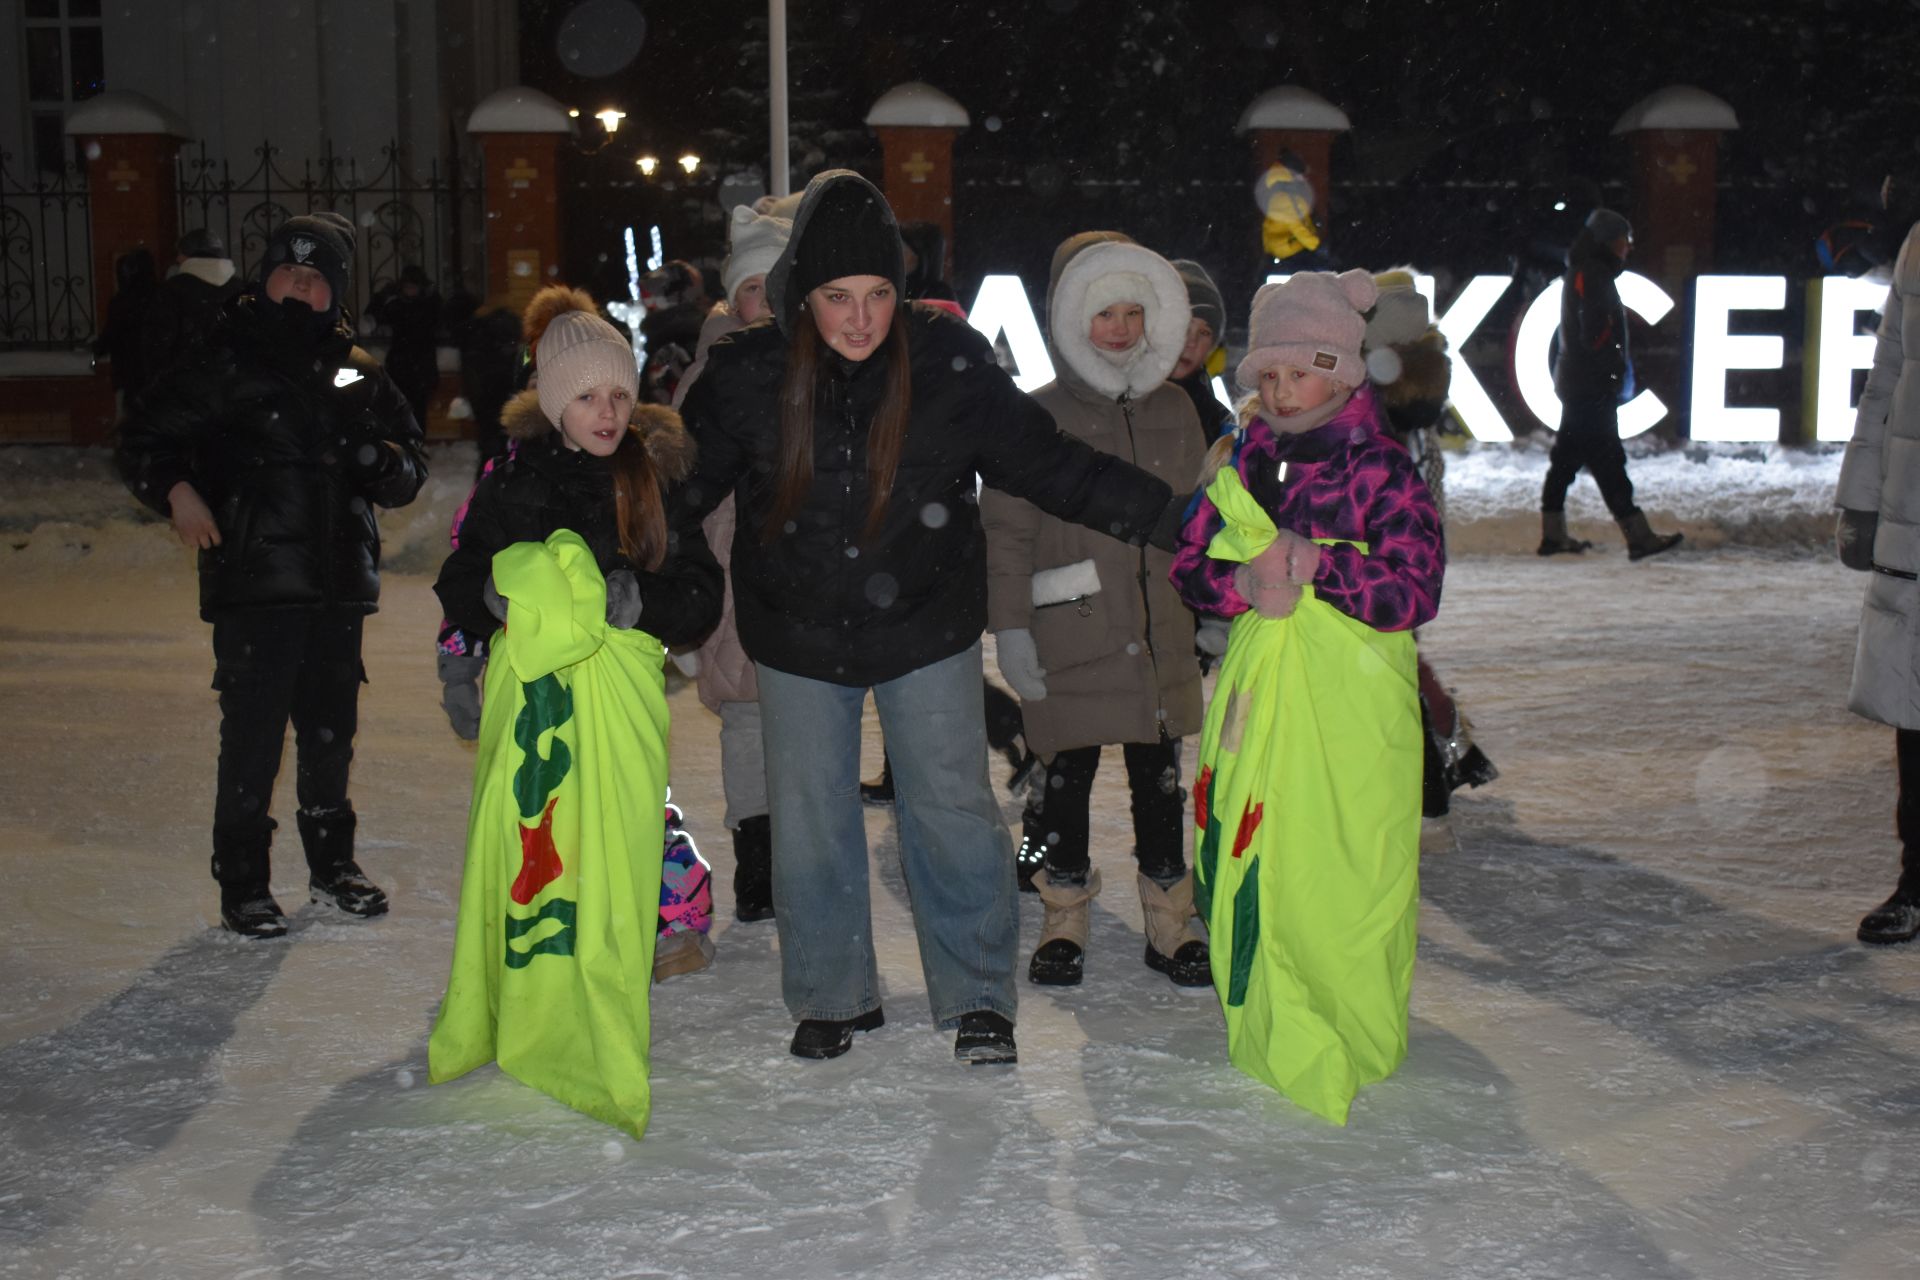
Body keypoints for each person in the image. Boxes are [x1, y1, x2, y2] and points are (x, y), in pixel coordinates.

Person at [660, 170, 1188, 1066]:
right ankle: (833, 995)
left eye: (875, 296)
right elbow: (676, 497)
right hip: (793, 631)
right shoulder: (748, 377)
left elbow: (1055, 465)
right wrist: (609, 553)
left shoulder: (947, 364)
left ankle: (978, 994)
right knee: (811, 818)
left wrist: (1188, 522)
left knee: (948, 809)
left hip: (926, 621)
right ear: (802, 295)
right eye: (836, 298)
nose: (859, 319)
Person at [1169, 269, 1444, 1124]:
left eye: (1302, 373)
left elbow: (1416, 589)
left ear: (1346, 373)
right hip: (1261, 704)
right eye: (1271, 376)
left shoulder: (1382, 471)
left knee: (1346, 862)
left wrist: (1324, 567)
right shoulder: (1242, 460)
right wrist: (1243, 580)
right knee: (1264, 856)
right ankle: (1275, 1013)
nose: (1284, 392)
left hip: (1352, 710)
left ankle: (1350, 1017)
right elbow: (1189, 566)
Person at [115, 212, 428, 938]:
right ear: (265, 276)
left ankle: (333, 865)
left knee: (329, 732)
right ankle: (245, 880)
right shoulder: (226, 356)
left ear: (336, 290)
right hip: (255, 580)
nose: (301, 285)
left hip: (334, 582)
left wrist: (380, 462)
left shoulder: (357, 367)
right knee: (253, 735)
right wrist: (176, 490)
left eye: (318, 277)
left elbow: (409, 457)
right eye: (290, 270)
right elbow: (142, 437)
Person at [982, 232, 1209, 989]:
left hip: (1159, 632)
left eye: (1132, 311)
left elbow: (1208, 521)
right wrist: (1010, 626)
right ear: (1069, 319)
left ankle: (1172, 921)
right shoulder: (1033, 416)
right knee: (1064, 786)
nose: (1119, 327)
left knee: (1161, 785)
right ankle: (1064, 916)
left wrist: (1214, 605)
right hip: (1072, 635)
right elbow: (1007, 534)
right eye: (1102, 311)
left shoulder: (1178, 408)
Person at [672, 202, 792, 923]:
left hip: (802, 581)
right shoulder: (705, 378)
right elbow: (681, 492)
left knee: (809, 728)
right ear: (732, 297)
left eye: (779, 285)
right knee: (747, 725)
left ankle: (802, 854)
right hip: (729, 584)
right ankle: (757, 856)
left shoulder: (818, 367)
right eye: (753, 287)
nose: (766, 301)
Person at [1362, 269, 1497, 840]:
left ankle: (1433, 772)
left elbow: (1393, 485)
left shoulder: (1380, 395)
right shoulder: (1419, 386)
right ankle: (1448, 752)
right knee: (1397, 665)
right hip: (1406, 557)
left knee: (1388, 672)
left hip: (1382, 556)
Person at [1835, 192, 1920, 947]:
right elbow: (1885, 382)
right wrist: (1861, 505)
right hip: (1914, 524)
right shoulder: (1919, 246)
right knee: (1917, 718)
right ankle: (1917, 880)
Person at [1538, 208, 1682, 560]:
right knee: (1607, 460)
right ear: (1608, 242)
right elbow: (1596, 331)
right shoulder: (1594, 273)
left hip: (1579, 383)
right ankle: (1638, 536)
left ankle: (1554, 535)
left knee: (1569, 458)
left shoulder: (1585, 269)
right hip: (1591, 386)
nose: (1628, 248)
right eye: (1624, 240)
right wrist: (1612, 364)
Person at [140, 228, 242, 389]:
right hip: (234, 386)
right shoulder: (240, 288)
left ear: (187, 255)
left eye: (180, 253)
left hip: (186, 389)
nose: (178, 259)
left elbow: (157, 343)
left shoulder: (172, 290)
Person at [1168, 258, 1235, 447]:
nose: (1192, 342)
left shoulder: (1221, 423)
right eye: (1185, 327)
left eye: (1204, 333)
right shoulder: (1120, 400)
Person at [367, 264, 442, 430]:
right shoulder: (397, 305)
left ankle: (415, 442)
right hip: (403, 366)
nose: (410, 291)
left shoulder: (427, 305)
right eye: (407, 287)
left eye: (413, 287)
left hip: (419, 366)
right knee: (400, 410)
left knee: (417, 410)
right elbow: (375, 314)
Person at [93, 247, 159, 408]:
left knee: (129, 418)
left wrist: (97, 349)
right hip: (155, 373)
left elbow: (111, 333)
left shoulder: (122, 300)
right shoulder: (161, 296)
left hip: (128, 372)